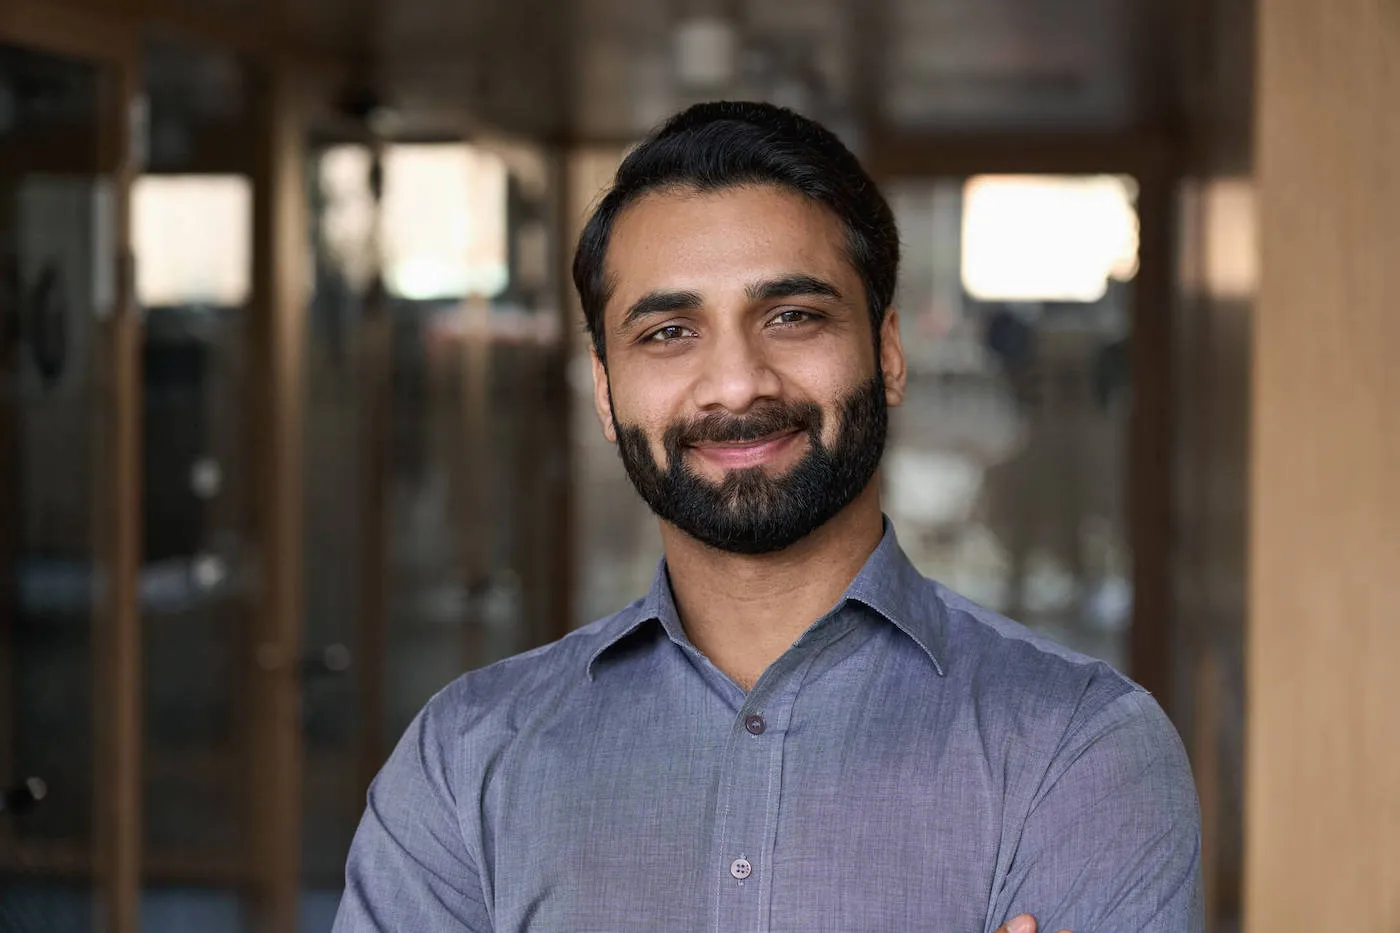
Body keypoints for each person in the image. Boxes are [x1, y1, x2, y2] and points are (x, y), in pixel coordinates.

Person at [332, 101, 1202, 933]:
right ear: (605, 391)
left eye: (792, 316)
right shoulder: (464, 759)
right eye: (670, 331)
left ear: (887, 352)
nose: (738, 381)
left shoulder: (1080, 749)